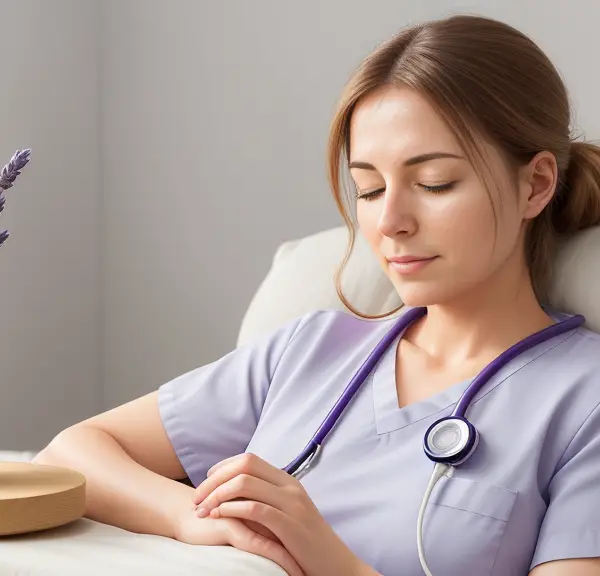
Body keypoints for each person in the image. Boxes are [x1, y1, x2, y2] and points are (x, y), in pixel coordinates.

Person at [34, 13, 600, 576]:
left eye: (434, 184)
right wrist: (189, 515)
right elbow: (71, 454)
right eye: (370, 190)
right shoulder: (312, 350)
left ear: (537, 183)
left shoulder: (584, 401)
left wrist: (332, 562)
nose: (390, 222)